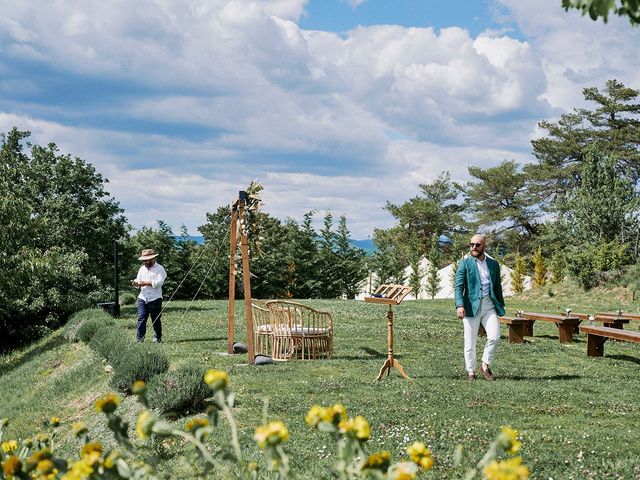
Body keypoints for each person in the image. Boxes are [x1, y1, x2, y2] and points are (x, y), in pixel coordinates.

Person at [454, 234, 505, 381]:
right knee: (470, 342)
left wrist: (500, 303)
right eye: (471, 245)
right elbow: (458, 286)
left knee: (494, 336)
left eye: (477, 245)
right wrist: (459, 305)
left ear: (484, 246)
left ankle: (485, 365)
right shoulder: (464, 263)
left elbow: (497, 286)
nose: (474, 248)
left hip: (489, 305)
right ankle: (470, 372)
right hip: (471, 306)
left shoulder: (494, 264)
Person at [133, 248, 167, 343]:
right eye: (144, 260)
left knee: (155, 319)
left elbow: (159, 282)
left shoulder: (160, 269)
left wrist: (146, 283)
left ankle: (157, 337)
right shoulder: (142, 269)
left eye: (147, 260)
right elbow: (138, 279)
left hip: (155, 298)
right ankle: (140, 339)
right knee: (141, 318)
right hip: (143, 297)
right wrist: (135, 283)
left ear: (153, 259)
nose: (145, 262)